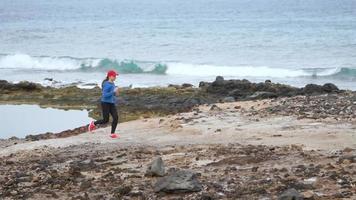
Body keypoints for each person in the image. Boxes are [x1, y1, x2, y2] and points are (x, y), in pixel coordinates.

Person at [88, 70, 120, 138]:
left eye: (115, 76)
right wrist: (113, 91)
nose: (115, 77)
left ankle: (112, 133)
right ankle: (93, 123)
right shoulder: (106, 84)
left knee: (116, 117)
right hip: (105, 103)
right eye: (114, 76)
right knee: (105, 120)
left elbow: (114, 94)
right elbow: (105, 95)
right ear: (109, 76)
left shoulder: (113, 83)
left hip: (111, 103)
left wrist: (116, 93)